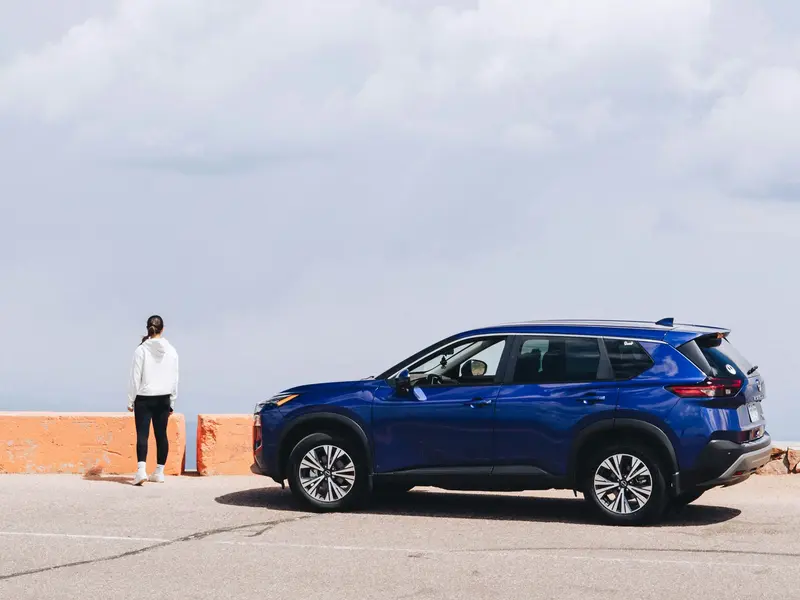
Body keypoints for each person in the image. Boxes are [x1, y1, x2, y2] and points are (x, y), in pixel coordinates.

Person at [126, 315, 179, 485]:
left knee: (143, 434)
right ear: (162, 329)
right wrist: (172, 401)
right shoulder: (171, 350)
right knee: (161, 434)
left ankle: (141, 471)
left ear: (147, 328)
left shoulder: (140, 350)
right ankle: (159, 472)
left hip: (144, 397)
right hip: (164, 397)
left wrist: (130, 400)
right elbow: (174, 377)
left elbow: (135, 378)